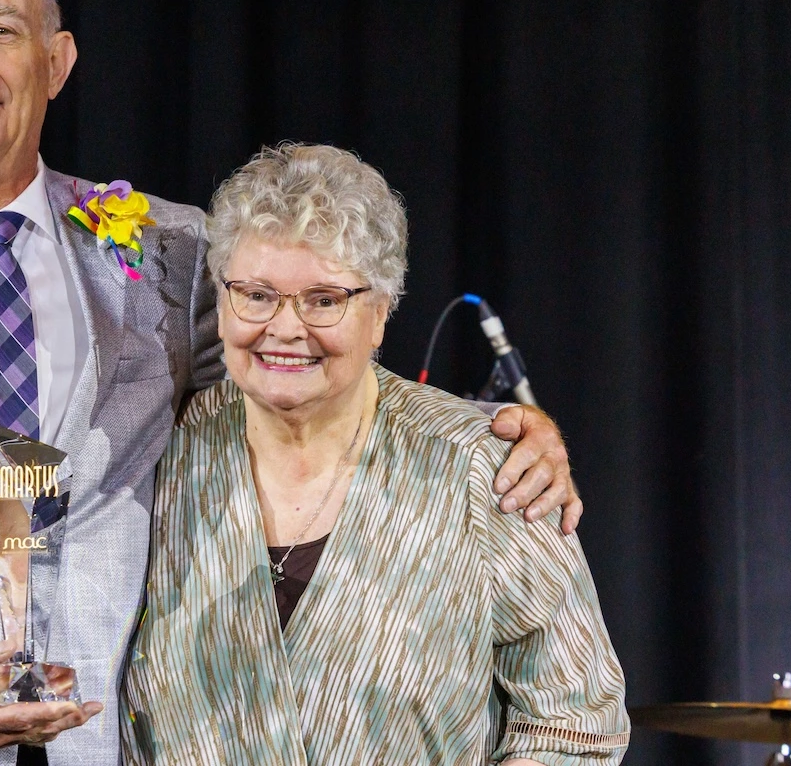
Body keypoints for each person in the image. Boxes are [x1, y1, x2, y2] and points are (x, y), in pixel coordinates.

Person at [0, 0, 581, 766]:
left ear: (57, 61)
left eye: (2, 31)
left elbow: (298, 366)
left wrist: (495, 434)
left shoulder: (170, 249)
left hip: (104, 746)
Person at [124, 144, 628, 765]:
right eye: (256, 294)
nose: (285, 328)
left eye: (324, 300)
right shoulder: (162, 452)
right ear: (221, 302)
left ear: (381, 312)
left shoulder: (479, 468)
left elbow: (576, 722)